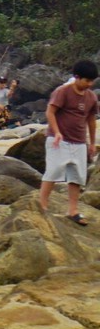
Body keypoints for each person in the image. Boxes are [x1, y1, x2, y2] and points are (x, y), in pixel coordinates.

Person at [41, 61, 99, 227]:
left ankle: (72, 210)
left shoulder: (91, 97)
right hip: (58, 139)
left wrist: (92, 142)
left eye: (92, 81)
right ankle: (42, 206)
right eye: (86, 81)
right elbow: (50, 112)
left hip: (79, 141)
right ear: (76, 77)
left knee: (77, 176)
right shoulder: (63, 91)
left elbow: (91, 120)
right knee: (52, 171)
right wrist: (57, 131)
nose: (89, 84)